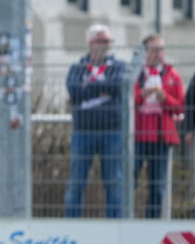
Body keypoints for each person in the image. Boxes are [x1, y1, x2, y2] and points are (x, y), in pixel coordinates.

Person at [64, 24, 127, 218]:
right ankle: (72, 224)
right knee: (77, 181)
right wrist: (101, 89)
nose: (107, 45)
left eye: (109, 41)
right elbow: (74, 90)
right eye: (102, 41)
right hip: (83, 131)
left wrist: (89, 87)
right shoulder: (77, 68)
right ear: (91, 43)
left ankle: (116, 225)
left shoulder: (119, 66)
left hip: (112, 132)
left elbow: (118, 86)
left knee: (114, 182)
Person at [133, 34, 185, 219]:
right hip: (137, 137)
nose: (159, 54)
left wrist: (165, 99)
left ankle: (151, 224)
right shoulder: (135, 73)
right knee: (130, 182)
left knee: (158, 186)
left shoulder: (172, 74)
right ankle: (127, 221)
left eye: (162, 49)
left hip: (161, 138)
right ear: (145, 52)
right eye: (154, 50)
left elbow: (180, 106)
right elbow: (127, 102)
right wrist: (142, 95)